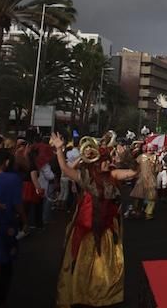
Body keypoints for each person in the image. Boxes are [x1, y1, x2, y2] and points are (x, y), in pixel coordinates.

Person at [51, 132, 137, 307]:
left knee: (105, 265)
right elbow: (66, 170)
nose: (108, 163)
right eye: (104, 160)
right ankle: (81, 294)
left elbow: (133, 172)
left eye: (108, 159)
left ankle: (102, 293)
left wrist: (125, 154)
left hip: (105, 230)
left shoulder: (113, 175)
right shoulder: (86, 177)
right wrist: (59, 149)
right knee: (83, 264)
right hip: (86, 229)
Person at [0, 148, 24, 307]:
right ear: (7, 162)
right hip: (5, 227)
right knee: (6, 267)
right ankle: (1, 301)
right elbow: (17, 203)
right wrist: (25, 219)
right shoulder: (13, 178)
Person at [130, 144, 159, 219]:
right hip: (141, 178)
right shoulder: (141, 156)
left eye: (151, 148)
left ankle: (148, 213)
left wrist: (158, 164)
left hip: (151, 179)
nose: (150, 149)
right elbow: (136, 165)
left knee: (152, 197)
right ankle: (136, 211)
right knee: (137, 195)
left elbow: (158, 169)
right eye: (148, 148)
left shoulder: (156, 157)